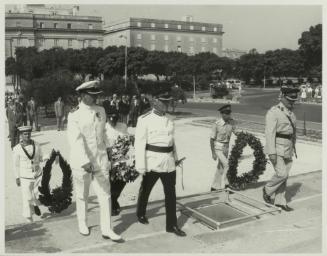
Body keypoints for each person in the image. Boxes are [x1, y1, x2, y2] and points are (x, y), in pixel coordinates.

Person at [67, 80, 122, 241]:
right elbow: (75, 140)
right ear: (83, 95)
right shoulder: (74, 114)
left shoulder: (101, 110)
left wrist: (112, 149)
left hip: (100, 159)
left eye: (97, 95)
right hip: (81, 161)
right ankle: (82, 222)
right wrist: (84, 160)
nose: (96, 98)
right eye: (92, 95)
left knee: (105, 194)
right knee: (82, 194)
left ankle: (107, 229)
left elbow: (104, 133)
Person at [135, 95, 186, 237]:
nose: (166, 104)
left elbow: (171, 141)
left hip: (168, 162)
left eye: (168, 101)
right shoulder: (144, 119)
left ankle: (172, 225)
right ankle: (140, 213)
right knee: (146, 189)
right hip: (152, 162)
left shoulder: (170, 119)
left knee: (171, 194)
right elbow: (139, 144)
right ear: (155, 101)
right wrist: (140, 166)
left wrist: (175, 158)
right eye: (163, 101)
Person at [263, 86, 300, 212]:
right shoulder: (274, 112)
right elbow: (269, 133)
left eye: (294, 100)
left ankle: (280, 202)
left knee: (285, 176)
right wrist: (271, 152)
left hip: (288, 148)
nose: (292, 102)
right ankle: (267, 190)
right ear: (283, 97)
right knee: (282, 174)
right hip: (277, 148)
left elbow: (293, 133)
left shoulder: (291, 113)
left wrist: (293, 147)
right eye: (290, 99)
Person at [12, 126, 43, 222]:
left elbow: (41, 158)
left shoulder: (37, 144)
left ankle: (35, 204)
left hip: (37, 175)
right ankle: (29, 219)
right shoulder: (17, 148)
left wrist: (52, 156)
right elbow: (15, 165)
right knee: (27, 198)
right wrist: (17, 177)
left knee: (39, 194)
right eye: (25, 134)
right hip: (25, 176)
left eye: (29, 133)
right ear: (21, 135)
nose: (27, 135)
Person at [105, 106, 129, 216]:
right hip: (109, 160)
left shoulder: (123, 126)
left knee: (122, 182)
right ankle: (113, 204)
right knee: (111, 183)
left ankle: (114, 200)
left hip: (122, 160)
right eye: (110, 118)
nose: (112, 121)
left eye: (114, 118)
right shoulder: (103, 128)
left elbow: (127, 140)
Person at [210, 104, 237, 191]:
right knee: (227, 164)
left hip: (226, 147)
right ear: (222, 114)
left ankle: (214, 186)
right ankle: (227, 185)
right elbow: (211, 139)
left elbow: (236, 132)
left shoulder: (232, 122)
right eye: (226, 113)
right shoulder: (217, 124)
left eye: (229, 113)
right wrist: (213, 153)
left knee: (221, 167)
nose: (228, 115)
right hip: (218, 148)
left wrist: (245, 136)